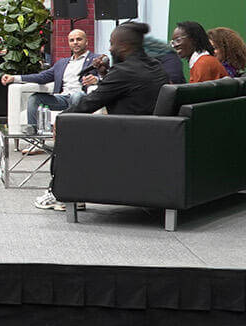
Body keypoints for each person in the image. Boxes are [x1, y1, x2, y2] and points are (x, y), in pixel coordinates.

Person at [34, 23, 172, 212]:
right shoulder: (155, 65)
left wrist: (62, 119)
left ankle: (61, 194)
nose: (110, 48)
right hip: (153, 135)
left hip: (127, 139)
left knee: (68, 127)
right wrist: (104, 74)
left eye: (112, 43)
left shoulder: (123, 71)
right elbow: (124, 89)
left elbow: (90, 102)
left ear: (124, 46)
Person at [0, 29, 102, 135]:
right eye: (72, 40)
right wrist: (14, 78)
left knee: (77, 96)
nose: (75, 42)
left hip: (81, 97)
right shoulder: (62, 63)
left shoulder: (95, 59)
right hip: (62, 98)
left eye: (79, 39)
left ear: (86, 42)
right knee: (35, 99)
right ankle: (34, 135)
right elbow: (41, 77)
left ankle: (73, 134)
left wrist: (97, 80)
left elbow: (107, 76)